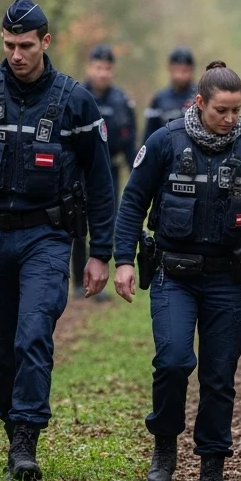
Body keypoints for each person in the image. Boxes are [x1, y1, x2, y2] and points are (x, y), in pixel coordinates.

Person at [0, 0, 115, 481]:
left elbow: (101, 183)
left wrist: (100, 252)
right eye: (9, 45)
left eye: (26, 45)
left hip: (48, 235)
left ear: (45, 42)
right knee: (0, 346)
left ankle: (26, 439)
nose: (17, 55)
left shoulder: (75, 101)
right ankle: (11, 419)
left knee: (32, 332)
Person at [114, 61, 241, 481]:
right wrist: (123, 259)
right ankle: (164, 447)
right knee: (174, 361)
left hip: (228, 279)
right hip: (172, 274)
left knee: (219, 374)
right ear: (200, 104)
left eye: (237, 110)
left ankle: (212, 464)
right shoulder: (165, 142)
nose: (231, 119)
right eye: (222, 110)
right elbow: (132, 202)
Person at [72, 43, 137, 296]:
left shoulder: (122, 101)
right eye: (98, 68)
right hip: (79, 171)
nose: (103, 73)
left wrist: (138, 174)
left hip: (110, 171)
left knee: (106, 222)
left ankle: (98, 282)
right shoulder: (76, 95)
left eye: (107, 68)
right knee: (78, 225)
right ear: (90, 67)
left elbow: (130, 141)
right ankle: (78, 281)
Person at [142, 46, 196, 144]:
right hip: (167, 154)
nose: (180, 76)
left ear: (191, 70)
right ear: (169, 68)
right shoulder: (159, 99)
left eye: (184, 71)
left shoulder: (200, 97)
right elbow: (149, 135)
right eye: (177, 70)